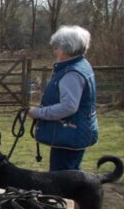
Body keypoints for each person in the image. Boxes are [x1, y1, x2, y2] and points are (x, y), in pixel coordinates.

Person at [28, 25, 98, 171]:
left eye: (57, 46)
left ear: (68, 47)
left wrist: (38, 113)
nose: (54, 50)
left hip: (69, 134)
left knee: (61, 177)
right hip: (74, 132)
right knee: (69, 175)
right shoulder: (81, 65)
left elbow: (69, 106)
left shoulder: (72, 73)